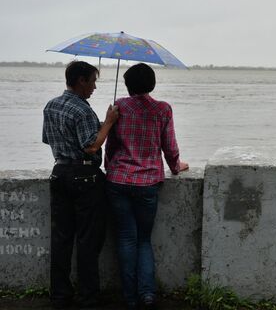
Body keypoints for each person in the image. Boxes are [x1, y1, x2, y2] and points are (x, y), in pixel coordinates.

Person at [104, 63, 189, 309]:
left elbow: (110, 145)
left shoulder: (119, 106)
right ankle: (148, 294)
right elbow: (169, 147)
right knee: (143, 240)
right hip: (148, 182)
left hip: (118, 181)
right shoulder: (163, 109)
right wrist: (176, 166)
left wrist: (110, 167)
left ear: (128, 85)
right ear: (152, 84)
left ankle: (130, 298)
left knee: (126, 239)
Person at [42, 60, 120, 309]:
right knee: (88, 240)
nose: (94, 87)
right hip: (84, 177)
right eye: (93, 81)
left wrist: (96, 128)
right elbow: (91, 147)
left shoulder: (51, 105)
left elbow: (48, 139)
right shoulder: (83, 111)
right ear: (81, 81)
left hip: (59, 172)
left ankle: (60, 295)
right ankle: (88, 297)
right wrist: (108, 122)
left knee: (61, 239)